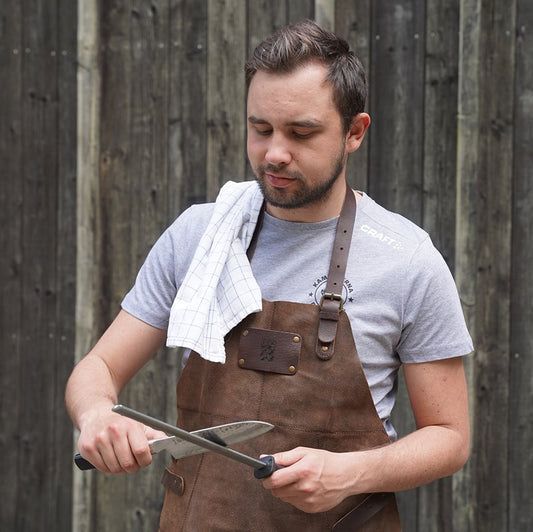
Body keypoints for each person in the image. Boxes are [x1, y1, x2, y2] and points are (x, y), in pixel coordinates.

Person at [66, 20, 473, 531]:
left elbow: (450, 436)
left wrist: (352, 472)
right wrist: (96, 415)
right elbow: (98, 367)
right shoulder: (202, 236)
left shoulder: (407, 259)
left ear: (355, 132)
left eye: (301, 133)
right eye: (261, 129)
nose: (274, 153)